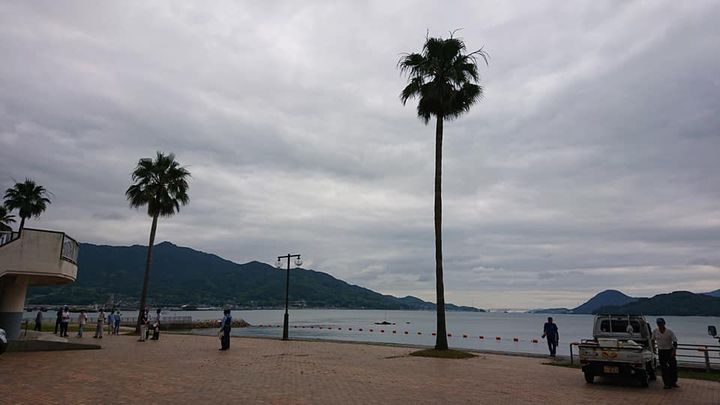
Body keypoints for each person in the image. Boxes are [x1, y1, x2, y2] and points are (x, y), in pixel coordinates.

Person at [652, 318, 679, 389]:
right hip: (661, 351)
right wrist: (654, 348)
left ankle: (673, 382)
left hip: (669, 351)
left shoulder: (669, 332)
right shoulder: (655, 331)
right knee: (664, 368)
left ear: (664, 323)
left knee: (673, 367)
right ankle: (666, 383)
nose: (659, 325)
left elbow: (675, 342)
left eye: (661, 323)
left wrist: (674, 351)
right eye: (658, 323)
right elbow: (652, 340)